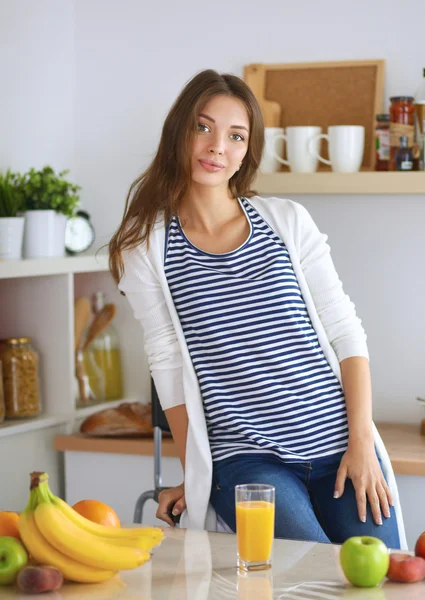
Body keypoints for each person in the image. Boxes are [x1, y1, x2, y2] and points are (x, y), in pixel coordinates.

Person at [109, 69, 405, 548]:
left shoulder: (286, 221)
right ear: (179, 132)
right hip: (246, 461)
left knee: (384, 578)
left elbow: (345, 331)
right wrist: (199, 474)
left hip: (339, 444)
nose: (216, 146)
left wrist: (361, 443)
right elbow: (167, 365)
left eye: (235, 135)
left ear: (248, 149)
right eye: (202, 127)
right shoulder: (146, 249)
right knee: (311, 577)